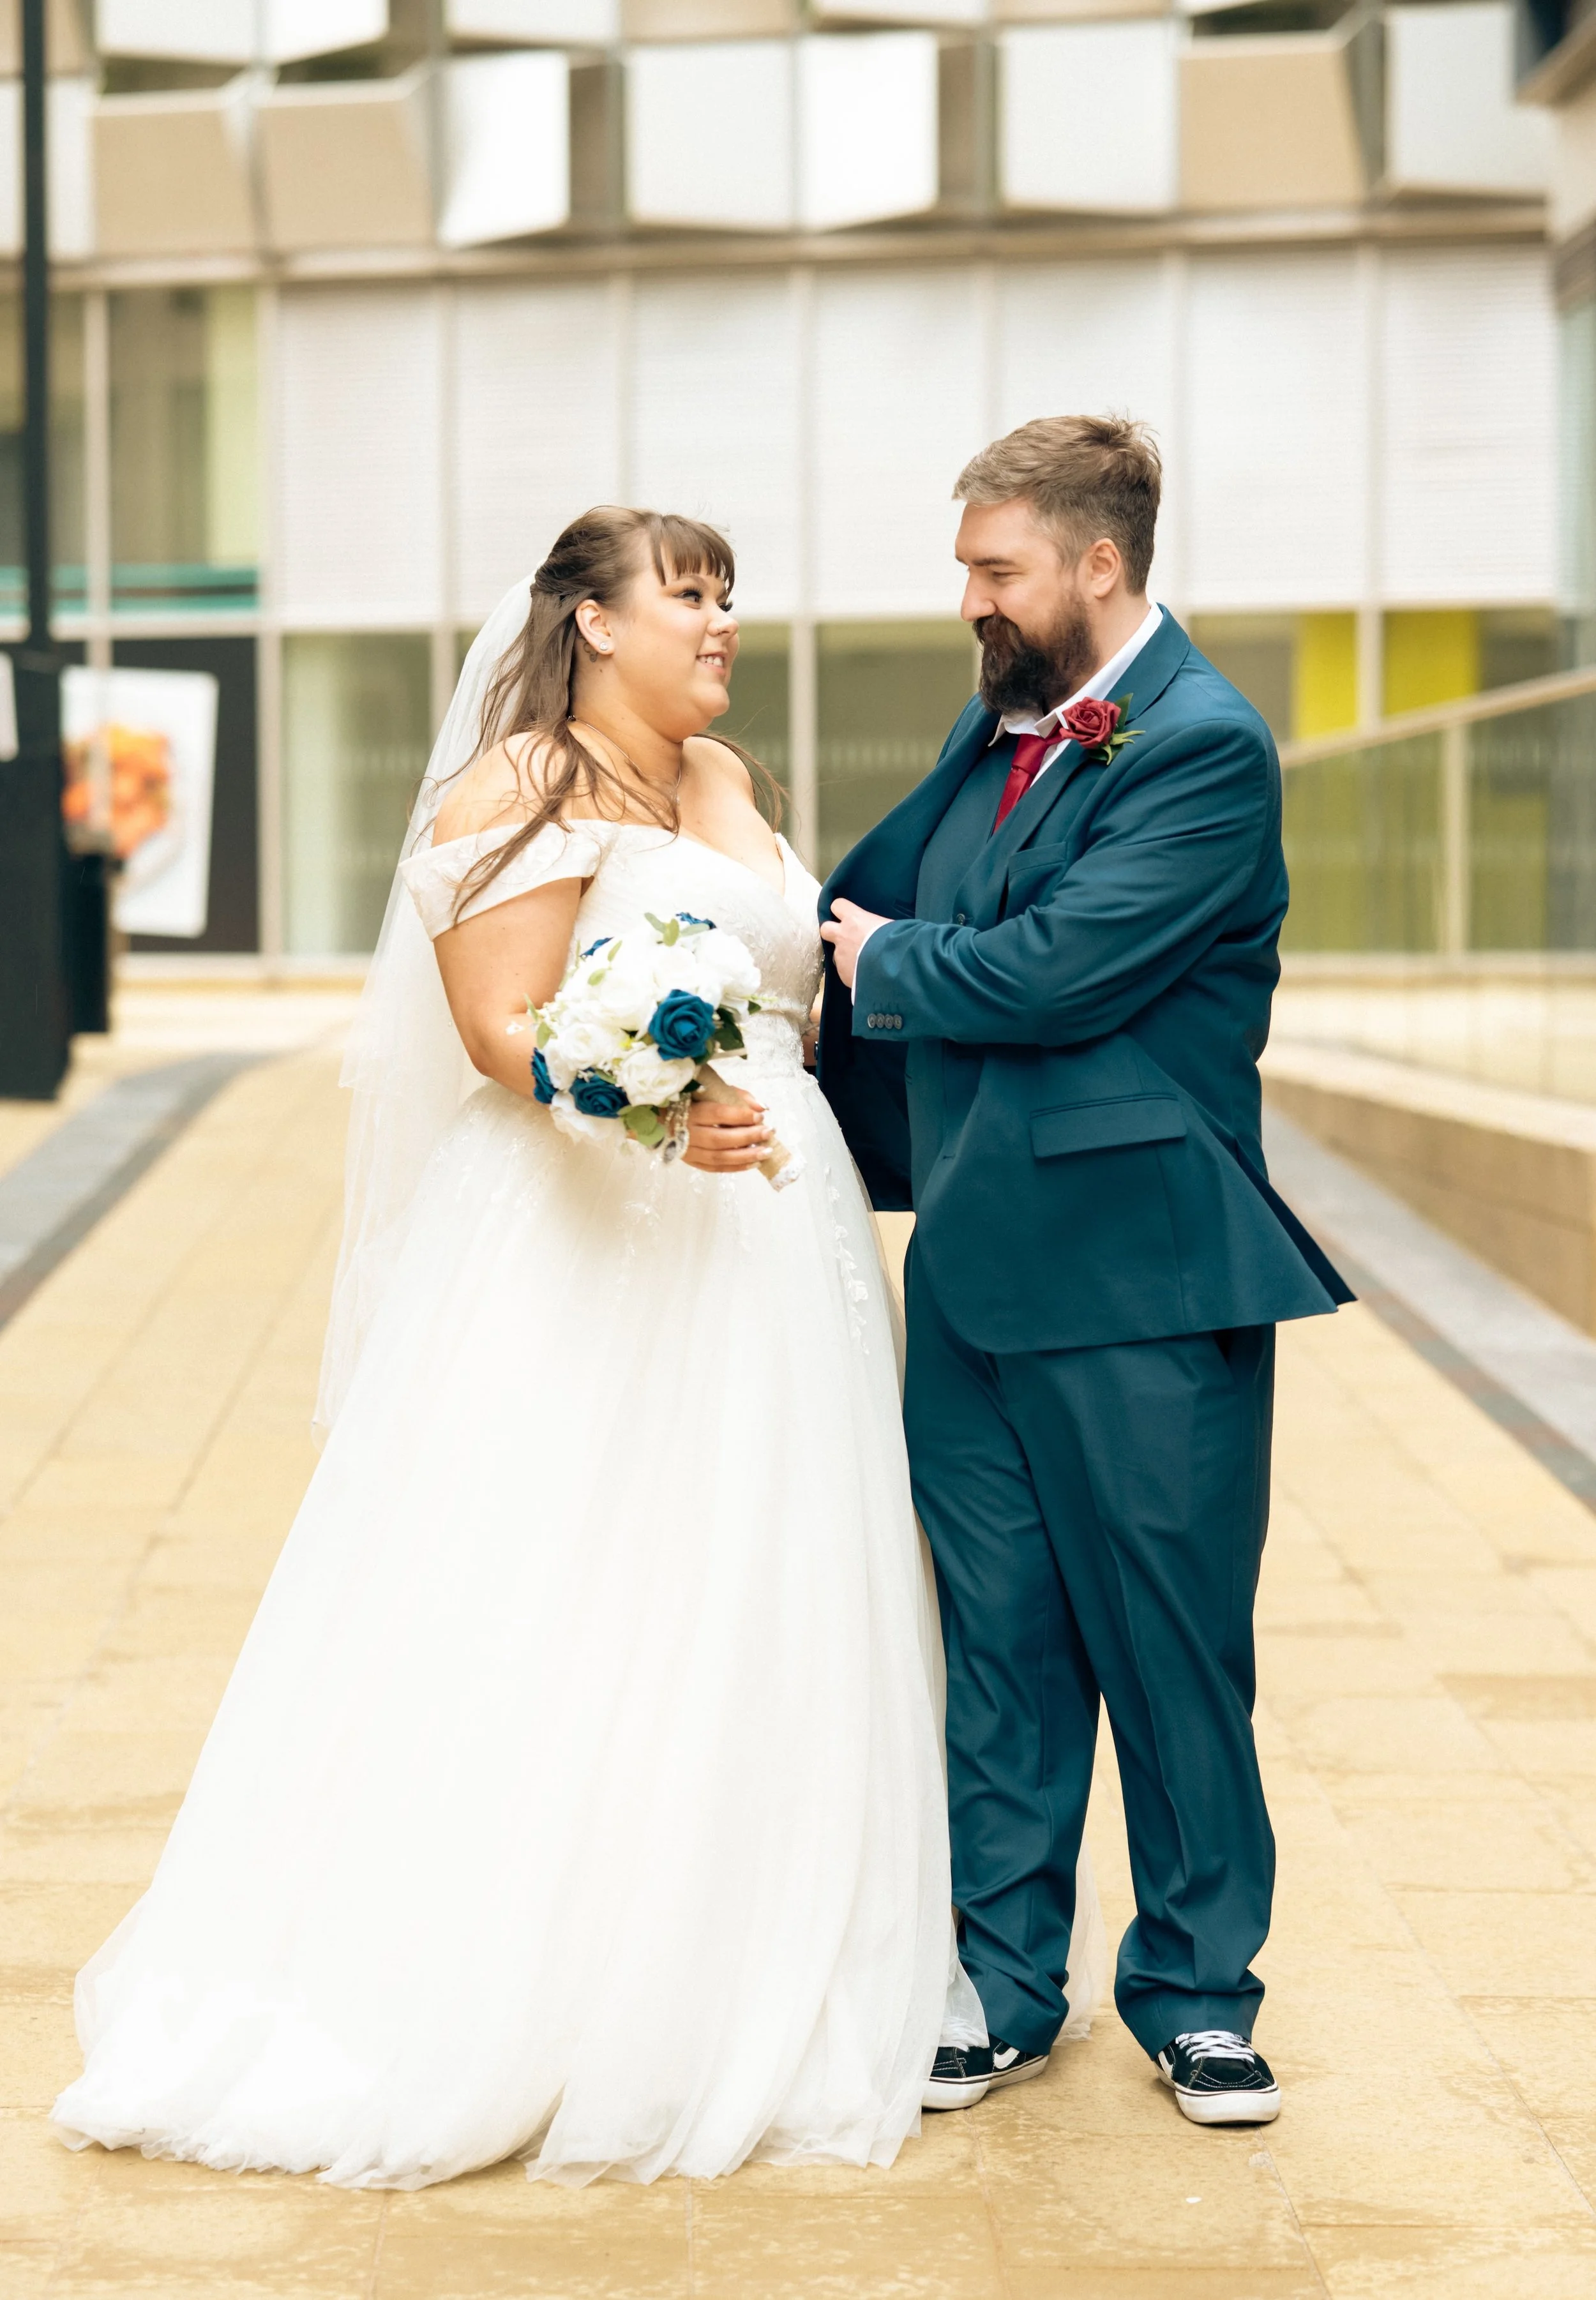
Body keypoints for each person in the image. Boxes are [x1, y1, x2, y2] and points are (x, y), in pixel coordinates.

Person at [51, 505, 1102, 2190]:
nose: (720, 623)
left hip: (781, 1238)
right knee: (578, 1566)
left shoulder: (724, 777)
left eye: (728, 595)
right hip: (595, 1229)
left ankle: (747, 1955)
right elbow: (496, 1024)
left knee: (765, 1573)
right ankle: (535, 1980)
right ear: (595, 621)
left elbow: (799, 989)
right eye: (688, 596)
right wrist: (649, 1109)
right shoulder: (519, 782)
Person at [818, 417, 1351, 2128]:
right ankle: (1001, 1984)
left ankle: (1198, 1994)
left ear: (1099, 563)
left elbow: (1052, 973)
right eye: (967, 569)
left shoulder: (1204, 748)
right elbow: (888, 904)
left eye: (998, 569)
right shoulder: (1000, 724)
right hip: (972, 1276)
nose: (971, 600)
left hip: (1140, 1282)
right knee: (999, 1649)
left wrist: (886, 961)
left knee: (1171, 1652)